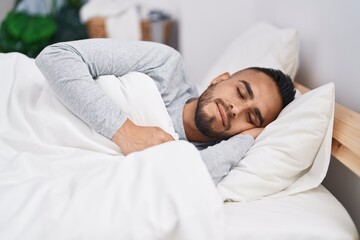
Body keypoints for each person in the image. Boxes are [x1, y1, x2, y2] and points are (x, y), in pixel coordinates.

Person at [35, 39, 295, 184]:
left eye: (251, 118)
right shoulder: (165, 66)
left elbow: (188, 179)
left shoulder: (201, 158)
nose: (235, 108)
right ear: (219, 78)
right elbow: (57, 56)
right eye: (240, 92)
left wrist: (248, 138)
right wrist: (125, 132)